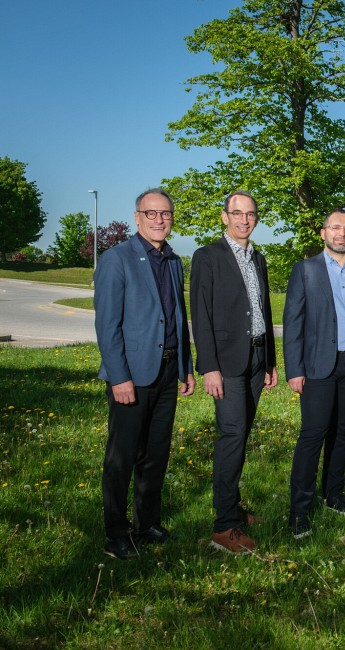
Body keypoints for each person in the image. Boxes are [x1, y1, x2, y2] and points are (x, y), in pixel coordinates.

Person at [94, 188, 195, 559]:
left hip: (168, 371)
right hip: (131, 376)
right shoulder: (115, 260)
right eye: (151, 213)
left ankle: (147, 522)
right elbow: (107, 326)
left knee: (155, 454)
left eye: (165, 213)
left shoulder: (173, 261)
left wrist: (185, 367)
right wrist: (119, 377)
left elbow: (178, 318)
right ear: (137, 217)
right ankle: (116, 533)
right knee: (122, 457)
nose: (159, 219)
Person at [283, 209, 345, 539]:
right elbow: (293, 324)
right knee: (313, 435)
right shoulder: (306, 270)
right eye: (335, 228)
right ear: (323, 233)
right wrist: (294, 369)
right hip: (317, 367)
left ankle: (334, 495)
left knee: (341, 433)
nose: (342, 234)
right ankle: (299, 510)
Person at [190, 191, 277, 554]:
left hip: (256, 357)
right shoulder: (208, 257)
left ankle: (234, 508)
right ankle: (224, 527)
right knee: (231, 435)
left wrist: (270, 359)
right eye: (237, 213)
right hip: (225, 363)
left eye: (251, 214)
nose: (244, 219)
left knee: (241, 435)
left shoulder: (258, 258)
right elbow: (200, 314)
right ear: (224, 217)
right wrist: (208, 366)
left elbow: (264, 309)